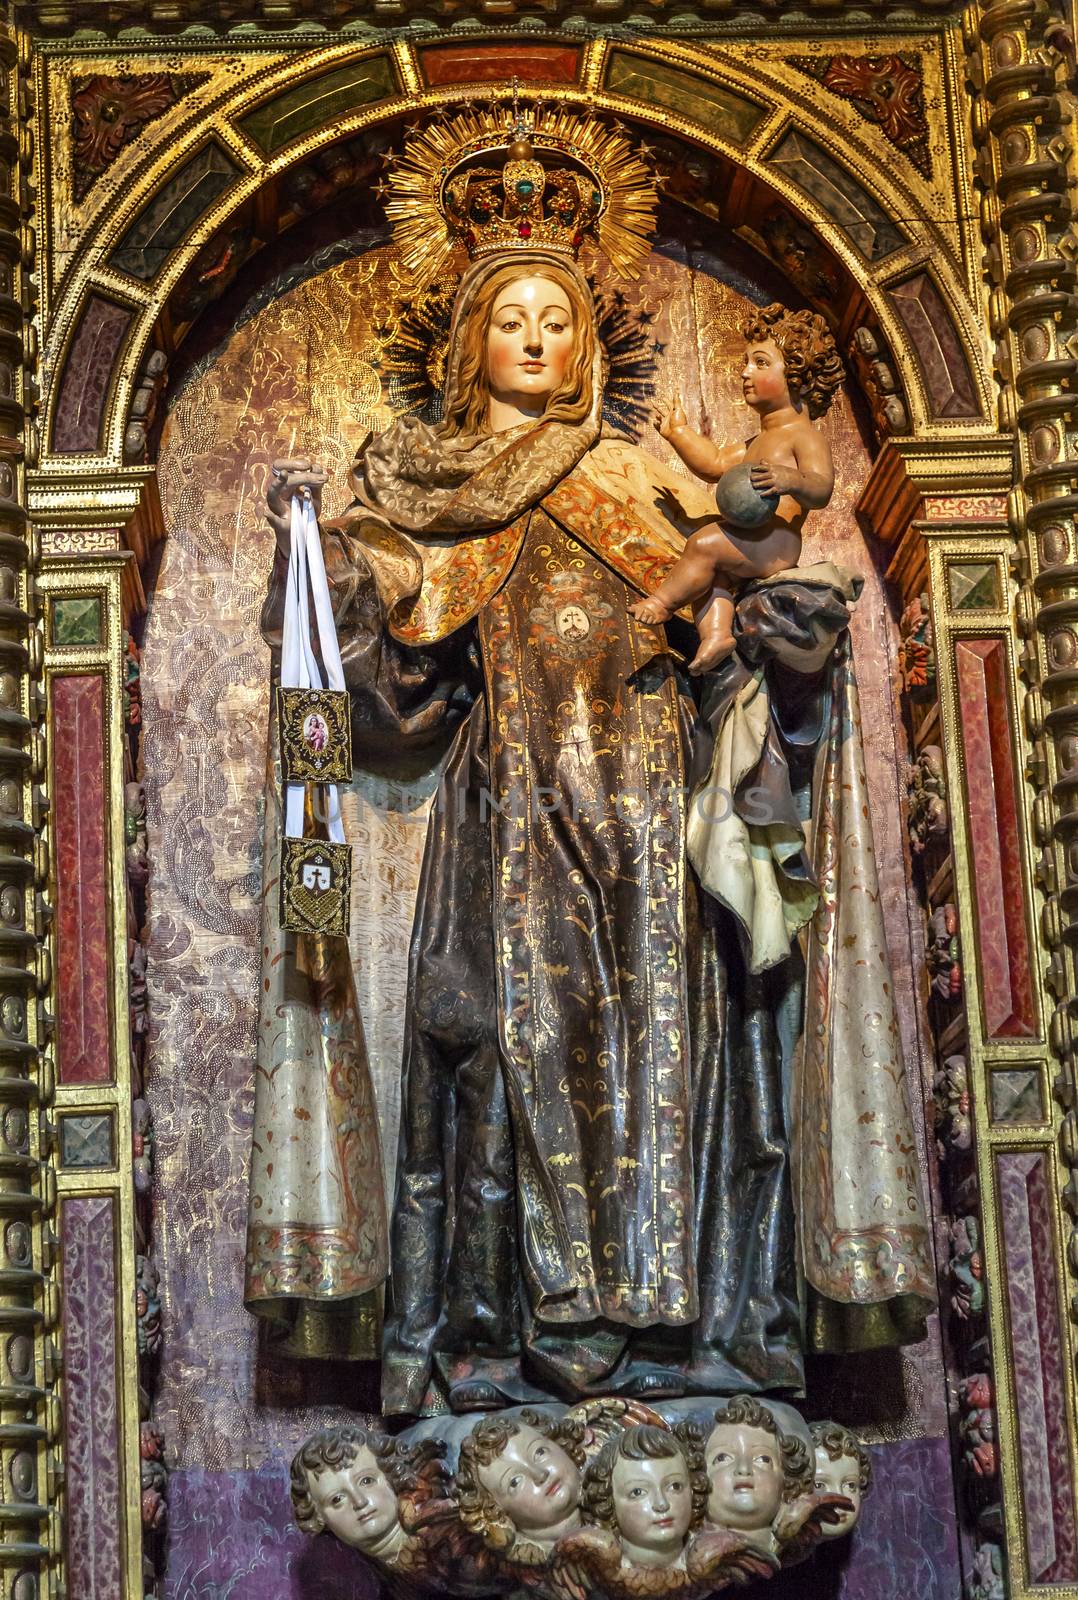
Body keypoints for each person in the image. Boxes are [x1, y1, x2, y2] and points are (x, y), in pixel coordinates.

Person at [246, 111, 932, 1421]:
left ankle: (686, 1340)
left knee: (667, 1060)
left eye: (557, 320)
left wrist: (781, 643)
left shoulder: (640, 483)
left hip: (657, 822)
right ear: (469, 342)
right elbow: (387, 703)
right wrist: (317, 598)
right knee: (506, 1052)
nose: (538, 342)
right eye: (511, 319)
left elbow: (741, 633)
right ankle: (503, 1343)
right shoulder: (427, 496)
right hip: (507, 819)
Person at [629, 305, 841, 673]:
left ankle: (662, 603)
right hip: (752, 540)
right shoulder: (759, 440)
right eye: (746, 362)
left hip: (777, 540)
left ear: (800, 377)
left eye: (760, 363)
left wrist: (790, 480)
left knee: (703, 545)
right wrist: (679, 433)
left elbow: (821, 488)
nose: (745, 372)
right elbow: (713, 464)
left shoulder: (803, 436)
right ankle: (716, 636)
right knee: (711, 577)